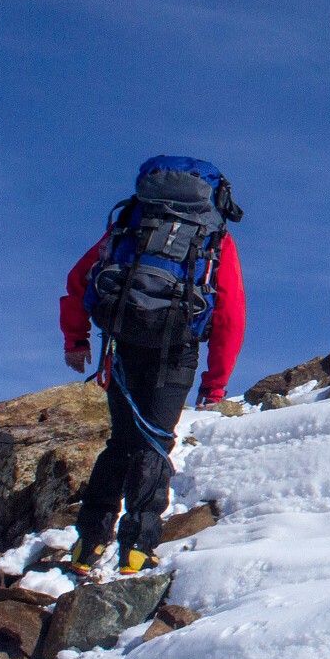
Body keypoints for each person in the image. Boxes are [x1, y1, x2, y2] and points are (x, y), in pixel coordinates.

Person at [59, 156, 245, 575]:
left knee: (121, 443)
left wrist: (76, 339)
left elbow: (79, 279)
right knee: (154, 444)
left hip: (123, 343)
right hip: (175, 351)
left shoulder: (132, 224)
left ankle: (88, 543)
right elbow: (230, 315)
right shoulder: (213, 239)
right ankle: (138, 548)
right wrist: (215, 385)